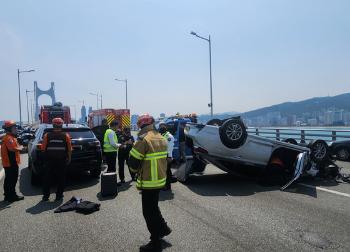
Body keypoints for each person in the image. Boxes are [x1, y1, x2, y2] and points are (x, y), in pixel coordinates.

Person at [129, 114, 172, 252]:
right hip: (160, 180)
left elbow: (133, 163)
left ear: (141, 125)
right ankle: (164, 229)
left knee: (148, 212)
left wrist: (134, 170)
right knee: (154, 207)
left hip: (149, 182)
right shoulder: (161, 137)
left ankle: (155, 243)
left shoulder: (143, 139)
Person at [42, 118, 72, 201]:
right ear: (61, 125)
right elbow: (69, 149)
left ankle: (45, 196)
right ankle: (59, 195)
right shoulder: (66, 135)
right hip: (61, 161)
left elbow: (43, 149)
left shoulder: (47, 135)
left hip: (49, 160)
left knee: (47, 178)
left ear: (53, 125)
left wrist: (45, 160)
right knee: (61, 178)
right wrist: (69, 159)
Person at [1, 120, 24, 203]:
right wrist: (21, 148)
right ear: (9, 129)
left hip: (9, 162)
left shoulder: (10, 137)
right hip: (10, 162)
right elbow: (12, 149)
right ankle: (12, 196)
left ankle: (8, 195)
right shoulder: (8, 138)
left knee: (8, 180)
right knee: (12, 180)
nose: (16, 129)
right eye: (14, 128)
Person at [158, 122, 175, 191]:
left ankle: (167, 186)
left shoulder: (169, 136)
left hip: (167, 156)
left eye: (161, 127)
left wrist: (169, 157)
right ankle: (164, 184)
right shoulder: (162, 135)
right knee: (164, 171)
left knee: (167, 171)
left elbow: (170, 147)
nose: (160, 129)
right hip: (162, 156)